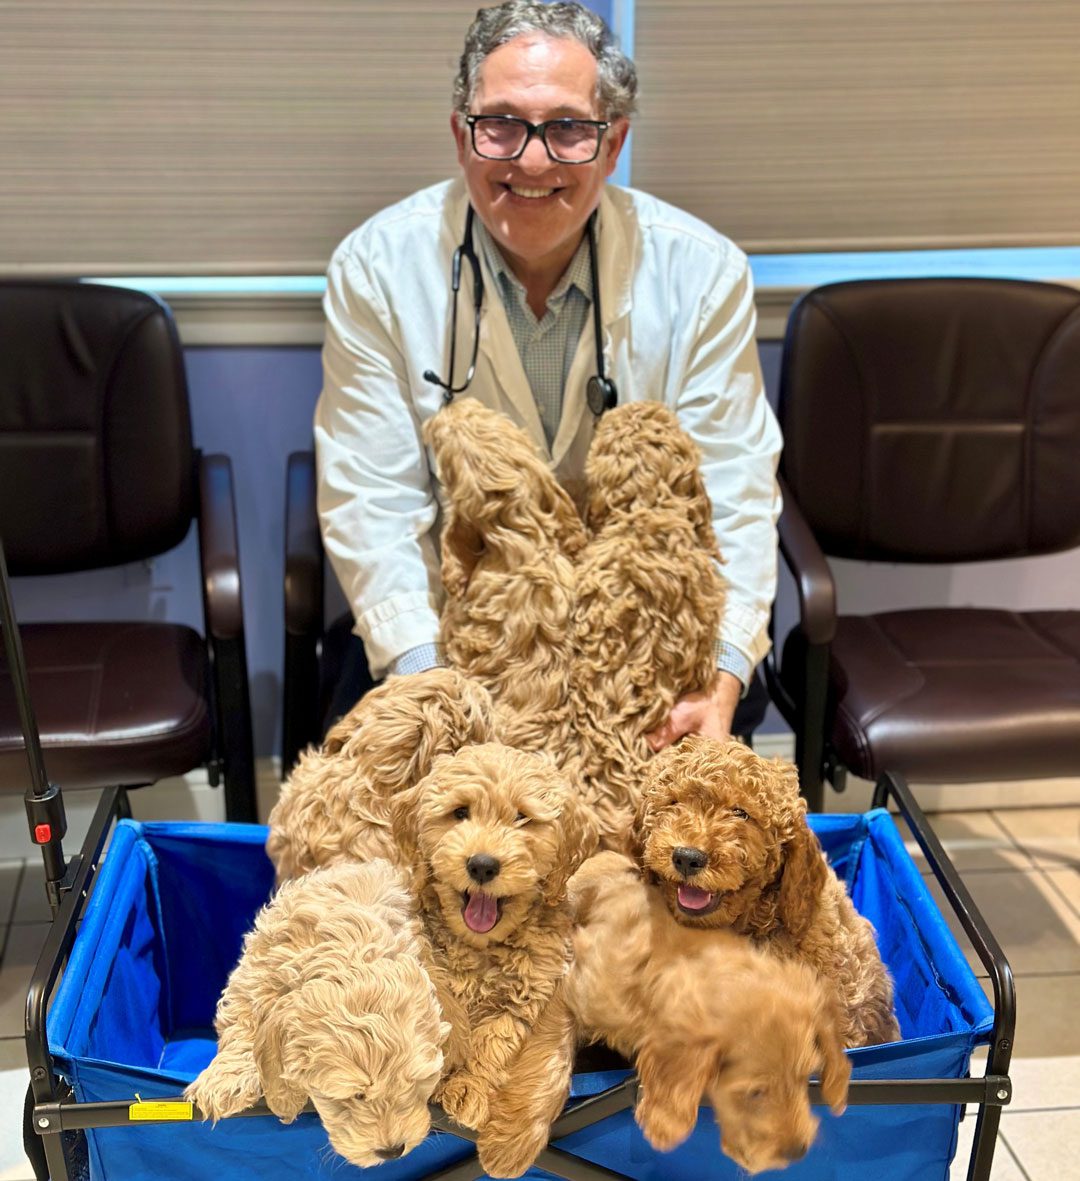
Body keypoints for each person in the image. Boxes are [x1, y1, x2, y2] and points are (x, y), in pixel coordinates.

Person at [314, 0, 781, 747]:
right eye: (500, 123)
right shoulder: (375, 269)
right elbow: (373, 503)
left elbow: (734, 494)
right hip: (455, 624)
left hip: (641, 627)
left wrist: (719, 682)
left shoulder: (702, 272)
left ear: (614, 142)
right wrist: (435, 687)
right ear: (461, 136)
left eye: (568, 128)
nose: (531, 160)